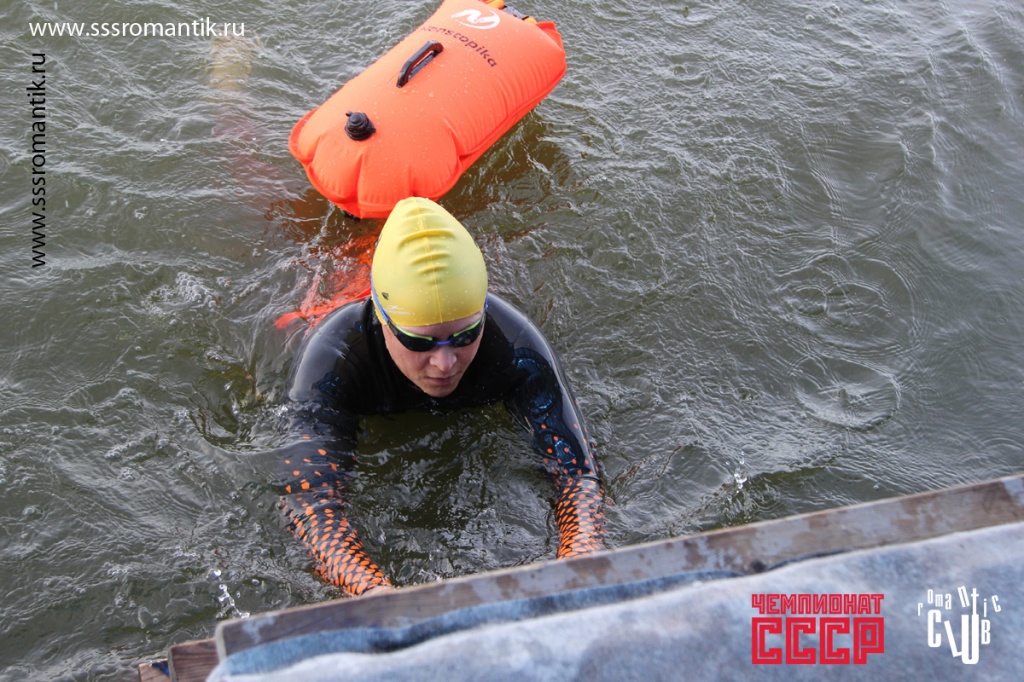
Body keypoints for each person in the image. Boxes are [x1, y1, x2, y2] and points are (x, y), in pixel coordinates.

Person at [277, 197, 605, 597]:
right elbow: (310, 505)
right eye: (420, 342)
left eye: (466, 336)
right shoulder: (335, 360)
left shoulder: (516, 345)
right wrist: (370, 590)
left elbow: (577, 474)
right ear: (384, 320)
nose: (446, 363)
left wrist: (581, 554)